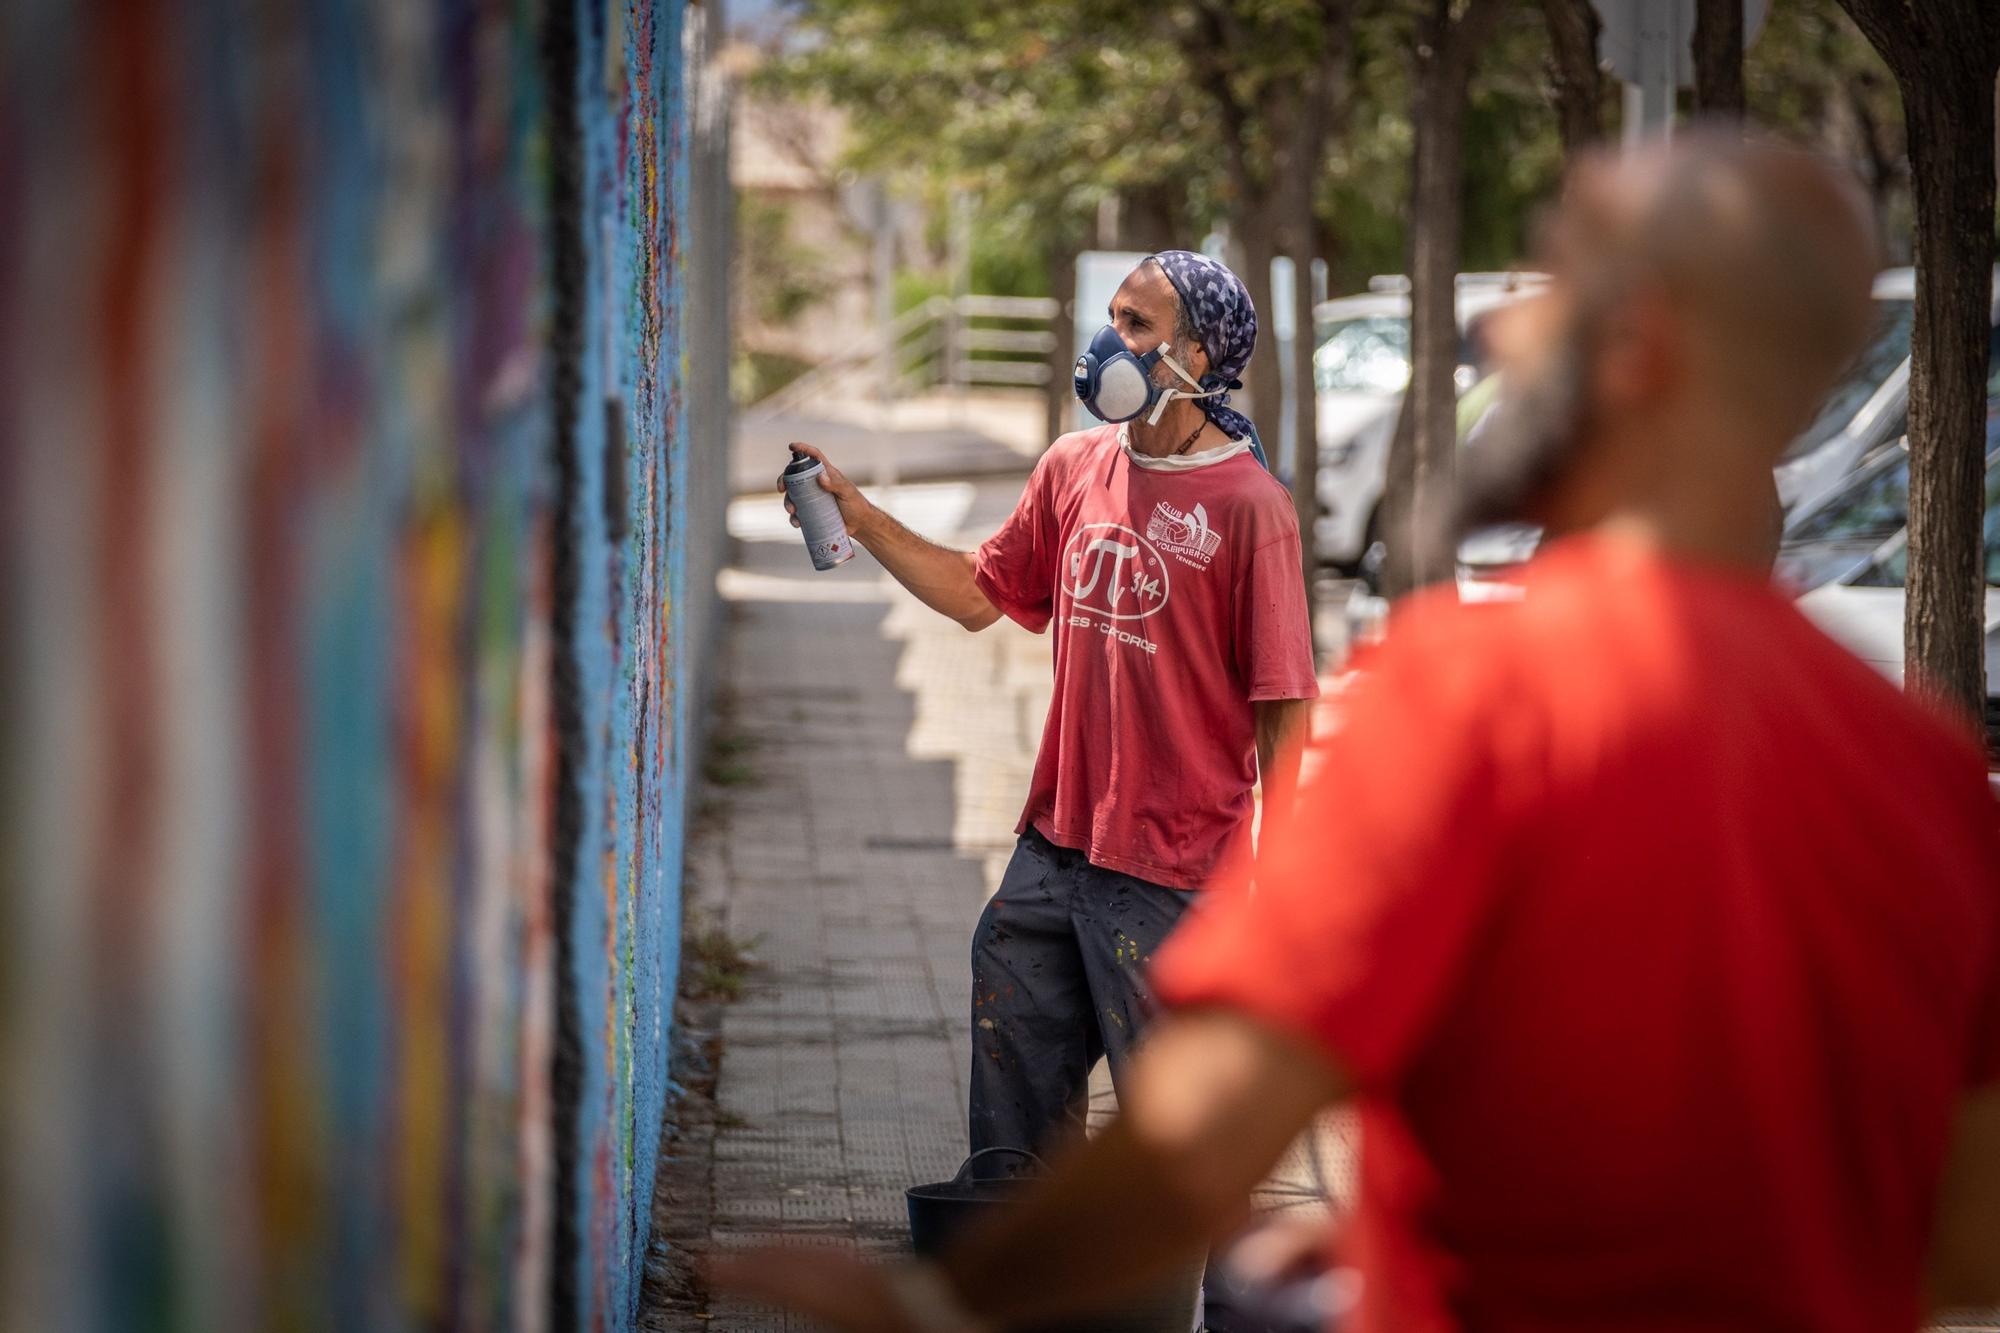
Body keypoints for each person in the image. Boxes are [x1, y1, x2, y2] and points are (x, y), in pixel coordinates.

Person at [721, 135, 2000, 1333]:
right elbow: (1970, 1228)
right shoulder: (1928, 775)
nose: (1503, 327)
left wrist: (933, 1305)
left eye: (1547, 292)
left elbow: (1196, 1146)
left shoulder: (1483, 694)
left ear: (1636, 347)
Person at [777, 252, 1318, 1175]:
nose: (1112, 340)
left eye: (1140, 325)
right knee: (1012, 1140)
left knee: (1184, 1155)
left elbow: (1283, 705)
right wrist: (859, 515)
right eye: (1113, 315)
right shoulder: (1073, 468)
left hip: (1177, 878)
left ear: (1198, 354)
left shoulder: (1251, 508)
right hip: (1054, 852)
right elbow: (977, 594)